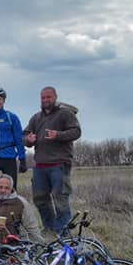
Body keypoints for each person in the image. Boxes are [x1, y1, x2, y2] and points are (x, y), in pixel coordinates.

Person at [23, 87, 82, 234]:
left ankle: (63, 231)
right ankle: (49, 227)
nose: (45, 100)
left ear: (55, 97)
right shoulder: (36, 118)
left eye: (48, 97)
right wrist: (28, 140)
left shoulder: (65, 114)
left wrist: (58, 135)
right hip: (40, 165)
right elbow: (25, 136)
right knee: (40, 199)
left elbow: (76, 131)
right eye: (43, 98)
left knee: (60, 198)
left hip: (59, 164)